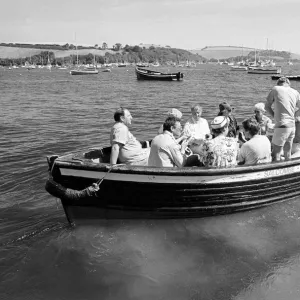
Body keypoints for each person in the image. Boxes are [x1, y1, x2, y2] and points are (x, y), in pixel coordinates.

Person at [265, 76, 300, 161]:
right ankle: (288, 172)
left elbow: (267, 107)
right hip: (292, 126)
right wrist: (294, 115)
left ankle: (275, 172)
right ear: (288, 84)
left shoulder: (276, 89)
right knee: (287, 153)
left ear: (278, 83)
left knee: (275, 154)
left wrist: (274, 116)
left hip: (282, 125)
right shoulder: (295, 92)